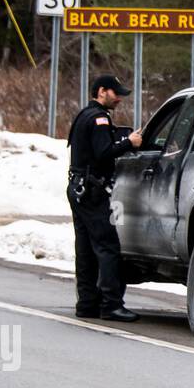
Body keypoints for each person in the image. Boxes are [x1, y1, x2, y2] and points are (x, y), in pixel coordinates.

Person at [66, 75, 143, 321]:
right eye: (115, 93)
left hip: (79, 187)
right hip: (93, 190)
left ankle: (87, 303)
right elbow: (103, 153)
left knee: (86, 248)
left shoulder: (84, 114)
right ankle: (111, 304)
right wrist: (129, 143)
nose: (119, 98)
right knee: (107, 246)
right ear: (101, 91)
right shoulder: (99, 118)